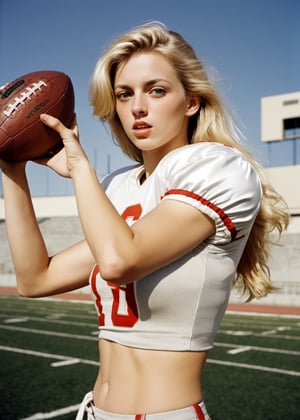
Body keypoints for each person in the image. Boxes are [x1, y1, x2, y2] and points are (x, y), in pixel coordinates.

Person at [1, 22, 289, 420]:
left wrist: (79, 167)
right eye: (124, 94)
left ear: (191, 101)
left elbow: (120, 262)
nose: (137, 107)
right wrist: (12, 166)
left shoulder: (219, 166)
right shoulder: (118, 185)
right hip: (96, 411)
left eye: (156, 90)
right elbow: (35, 280)